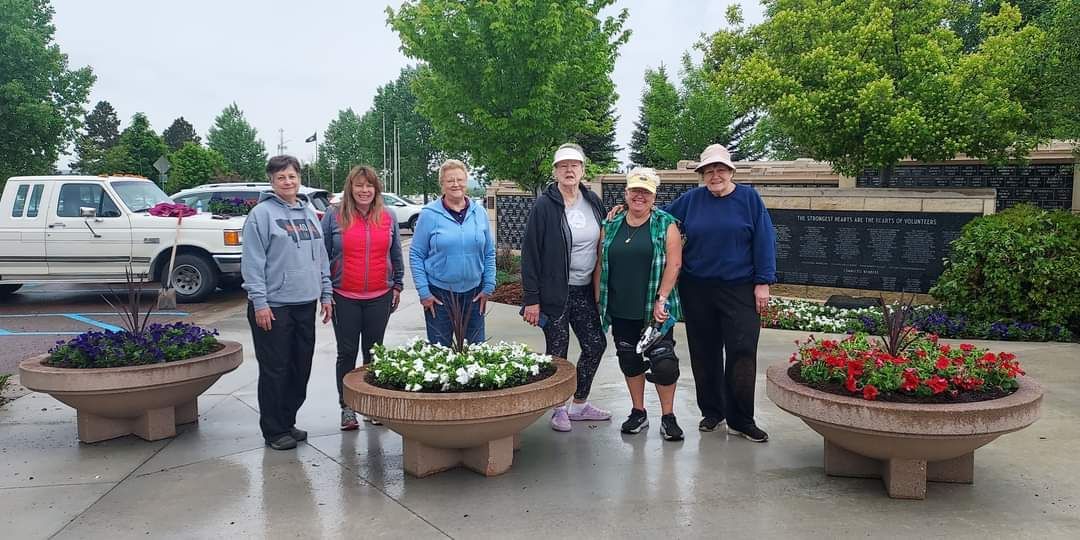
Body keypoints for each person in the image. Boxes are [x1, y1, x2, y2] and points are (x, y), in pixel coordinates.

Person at [666, 144, 776, 442]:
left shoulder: (749, 199)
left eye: (720, 169)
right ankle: (713, 411)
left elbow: (764, 240)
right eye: (709, 171)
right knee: (704, 352)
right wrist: (626, 210)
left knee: (742, 351)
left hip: (739, 287)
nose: (715, 175)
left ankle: (742, 419)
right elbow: (661, 220)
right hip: (697, 287)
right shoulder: (691, 200)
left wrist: (763, 281)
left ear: (730, 171)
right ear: (702, 175)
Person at [242, 155, 333, 451]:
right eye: (281, 177)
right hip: (274, 306)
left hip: (304, 302)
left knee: (299, 367)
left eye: (292, 176)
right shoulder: (261, 215)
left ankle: (287, 420)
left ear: (299, 178)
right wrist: (260, 303)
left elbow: (320, 257)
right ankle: (273, 429)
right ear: (271, 181)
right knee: (275, 369)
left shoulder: (307, 211)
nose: (288, 182)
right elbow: (253, 262)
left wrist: (326, 293)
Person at [521, 143, 610, 432]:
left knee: (595, 345)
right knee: (558, 352)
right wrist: (532, 299)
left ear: (583, 170)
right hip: (554, 293)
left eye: (575, 165)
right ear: (555, 171)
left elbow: (606, 233)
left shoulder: (593, 201)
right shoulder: (544, 206)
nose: (569, 170)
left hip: (584, 289)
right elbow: (531, 253)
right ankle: (558, 408)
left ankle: (580, 404)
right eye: (563, 165)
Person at [595, 167, 684, 440]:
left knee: (664, 362)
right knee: (629, 360)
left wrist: (663, 298)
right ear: (626, 193)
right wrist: (599, 300)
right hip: (621, 307)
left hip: (654, 309)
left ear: (653, 196)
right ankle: (638, 412)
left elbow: (674, 263)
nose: (639, 196)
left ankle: (668, 416)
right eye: (635, 190)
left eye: (645, 192)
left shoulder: (665, 223)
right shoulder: (610, 224)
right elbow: (600, 262)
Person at [321, 165, 404, 431]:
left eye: (369, 185)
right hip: (343, 295)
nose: (364, 190)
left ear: (375, 188)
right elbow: (322, 257)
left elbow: (396, 254)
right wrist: (324, 292)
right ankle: (347, 408)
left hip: (380, 295)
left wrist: (398, 285)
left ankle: (371, 405)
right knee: (346, 353)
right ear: (350, 188)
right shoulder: (334, 216)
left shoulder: (388, 216)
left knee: (374, 352)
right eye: (359, 185)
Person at [410, 159, 495, 346]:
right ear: (442, 185)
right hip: (439, 295)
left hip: (474, 294)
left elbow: (489, 251)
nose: (456, 184)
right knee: (440, 356)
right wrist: (424, 292)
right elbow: (416, 254)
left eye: (460, 179)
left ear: (466, 182)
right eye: (450, 180)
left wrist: (488, 285)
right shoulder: (429, 214)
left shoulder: (479, 213)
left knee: (476, 354)